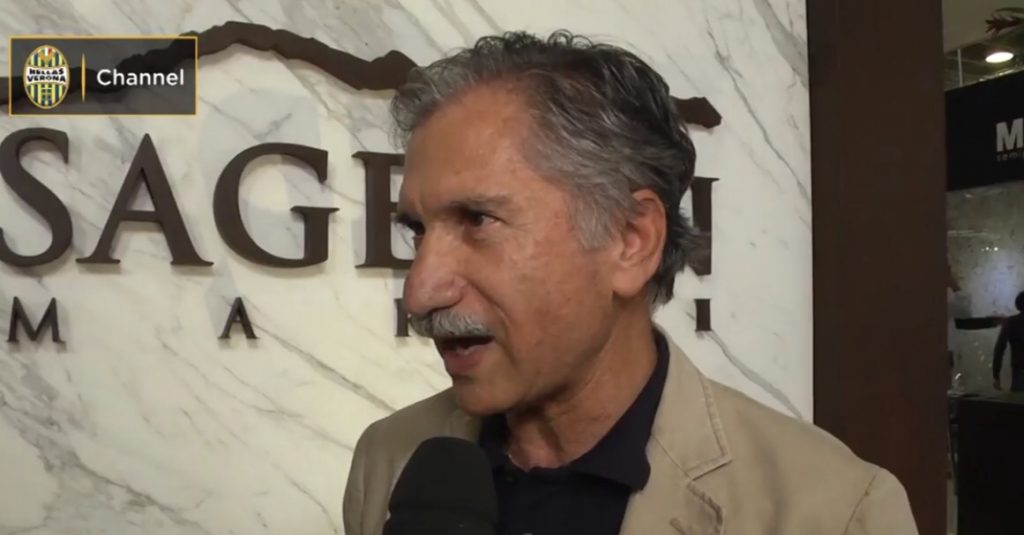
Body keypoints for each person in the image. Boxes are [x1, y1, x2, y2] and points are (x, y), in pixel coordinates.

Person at [343, 31, 918, 535]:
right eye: (417, 230)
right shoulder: (388, 458)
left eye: (477, 220)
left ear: (630, 239)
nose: (420, 293)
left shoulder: (835, 511)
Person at [993, 291, 1024, 392]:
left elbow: (999, 349)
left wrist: (996, 375)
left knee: (1018, 400)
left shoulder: (1011, 322)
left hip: (1019, 372)